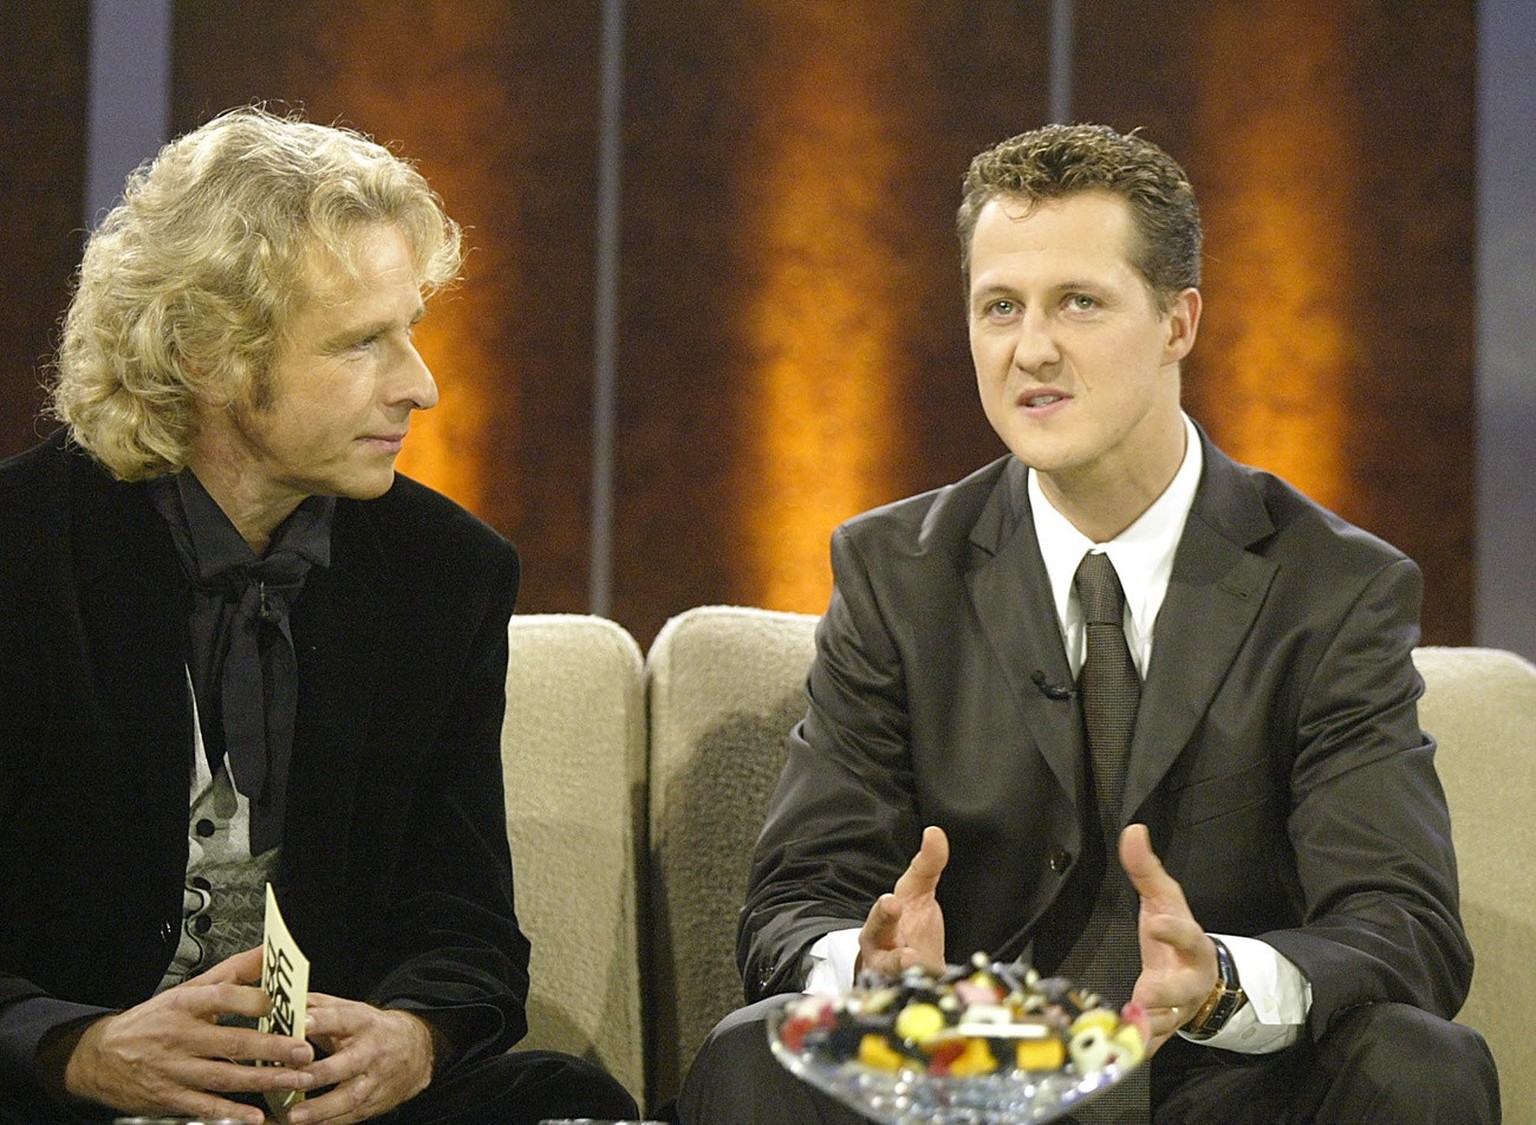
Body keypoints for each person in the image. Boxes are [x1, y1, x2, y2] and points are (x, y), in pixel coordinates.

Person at [676, 123, 1500, 1123]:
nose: (1031, 348)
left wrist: (1224, 983)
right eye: (999, 308)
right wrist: (864, 960)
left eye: (1079, 302)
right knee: (756, 1054)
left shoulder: (1332, 589)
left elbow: (1402, 925)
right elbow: (792, 902)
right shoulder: (897, 575)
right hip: (966, 1079)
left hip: (1221, 1083)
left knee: (1422, 1063)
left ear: (1178, 322)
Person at [0, 107, 638, 1125]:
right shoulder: (22, 552)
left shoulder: (448, 573)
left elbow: (466, 928)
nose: (421, 386)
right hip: (51, 1094)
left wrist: (413, 1038)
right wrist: (76, 1048)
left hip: (312, 1105)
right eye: (360, 345)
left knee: (566, 1100)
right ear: (207, 353)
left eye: (412, 332)